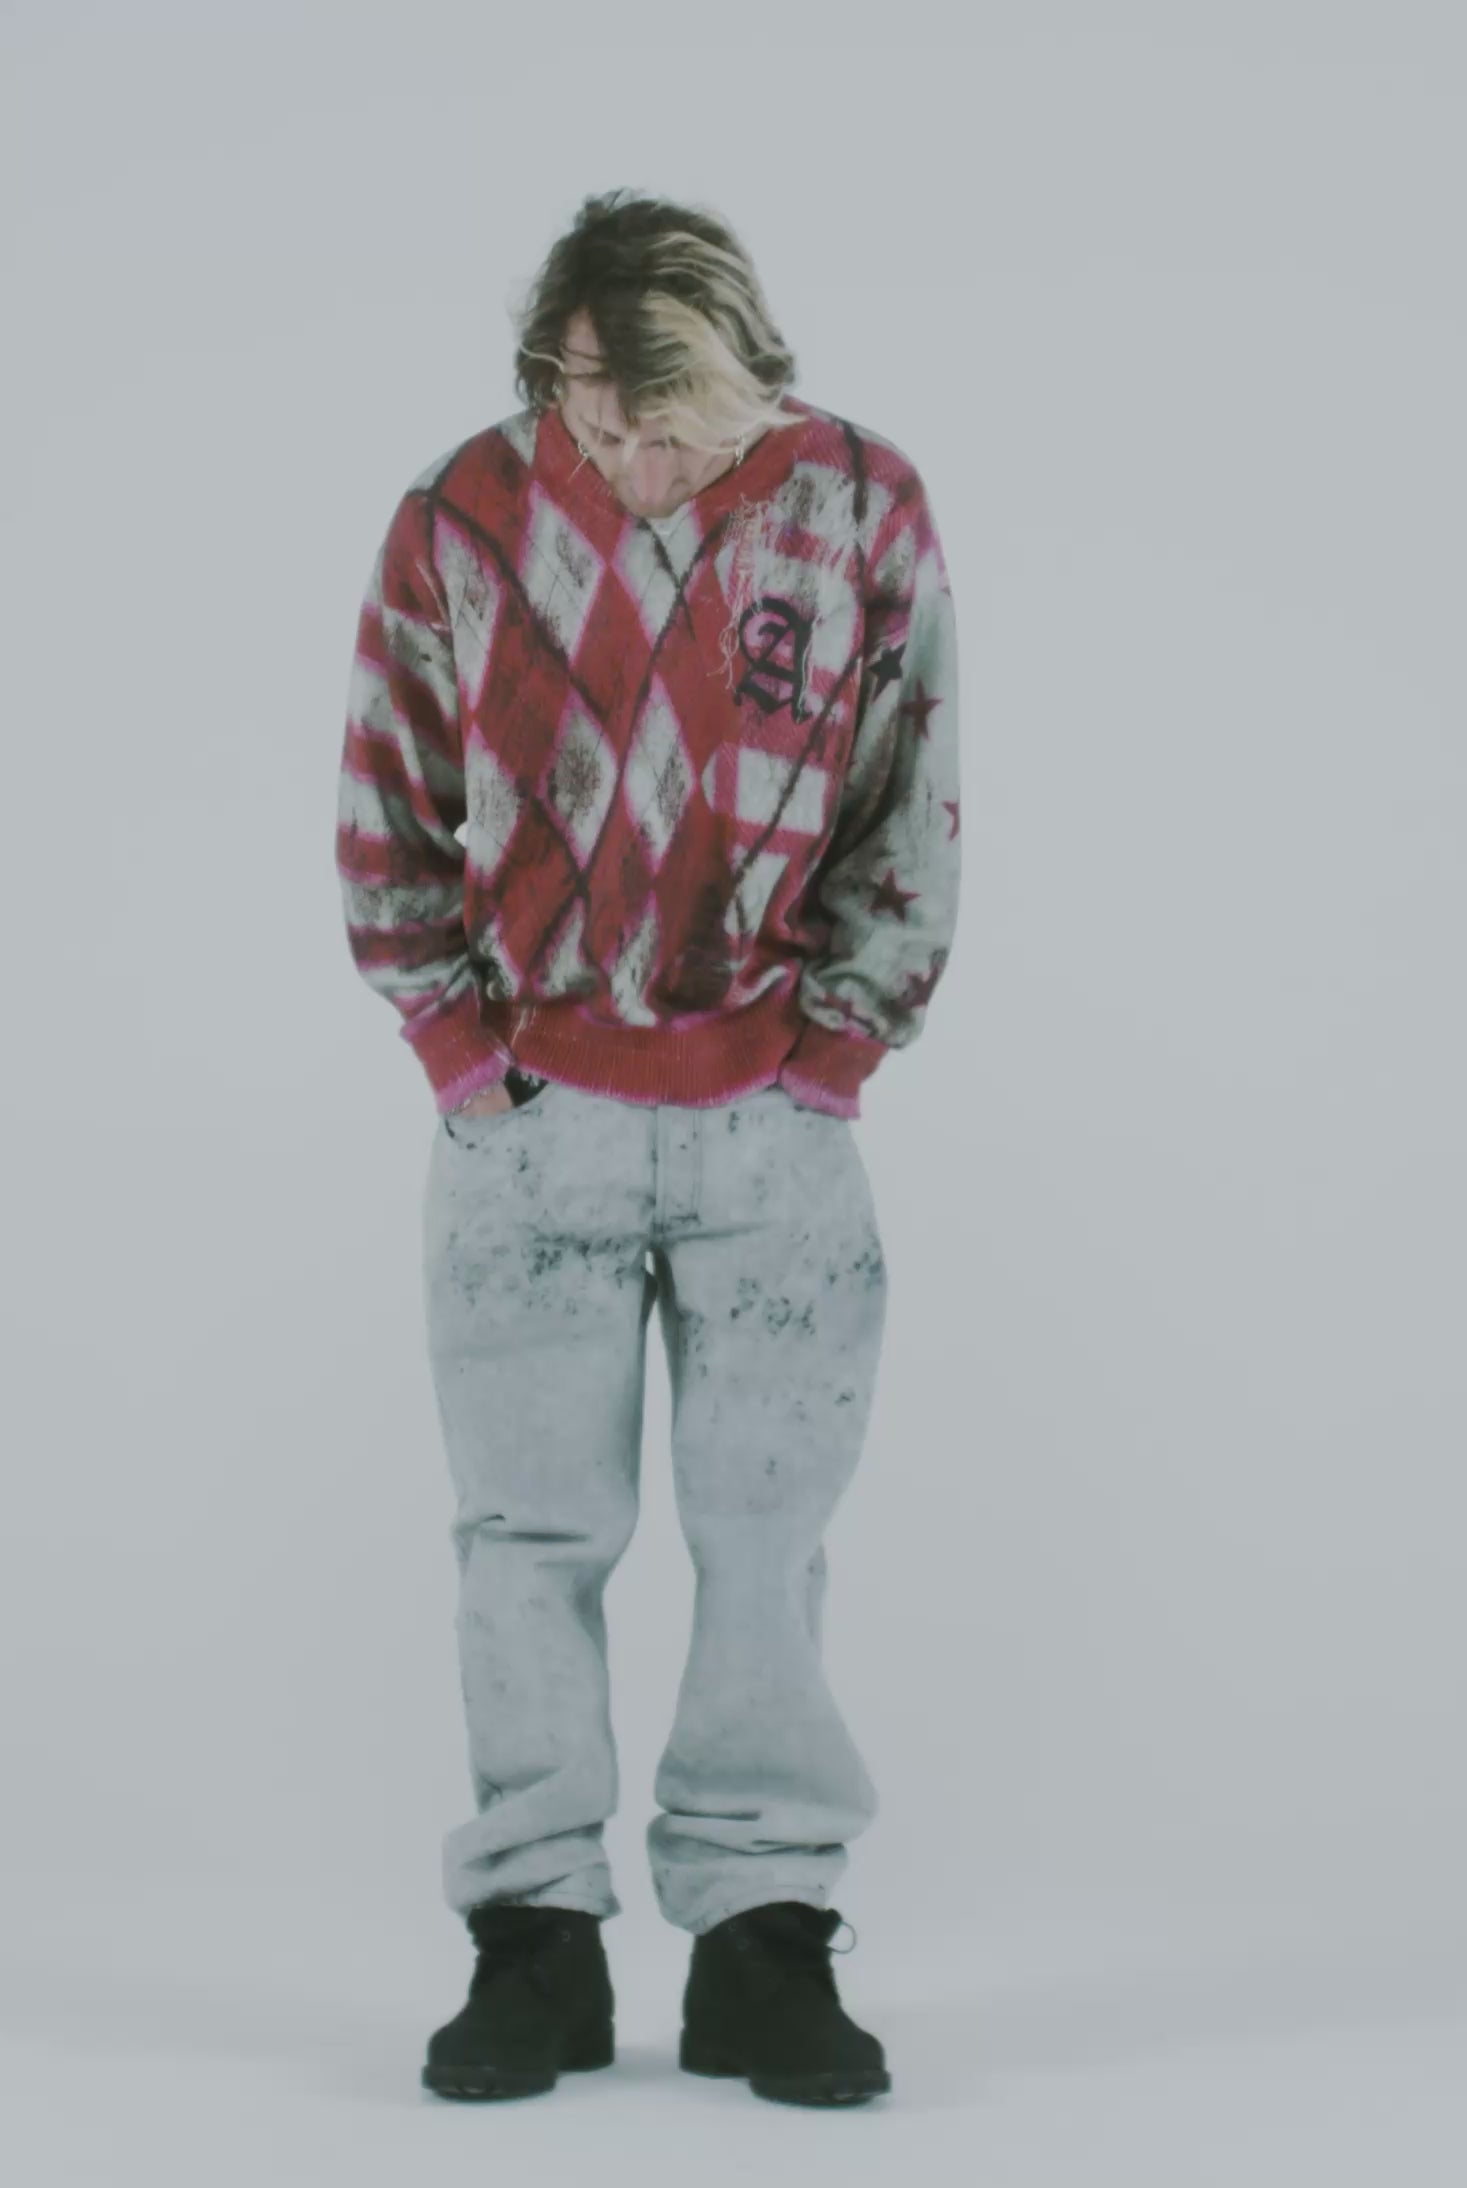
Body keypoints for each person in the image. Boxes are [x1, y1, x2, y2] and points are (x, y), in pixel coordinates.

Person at [333, 188, 960, 2109]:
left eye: (669, 424)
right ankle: (534, 1935)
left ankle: (764, 1936)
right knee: (526, 1540)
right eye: (596, 421)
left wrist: (836, 1050)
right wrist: (457, 1048)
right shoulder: (459, 514)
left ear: (744, 373)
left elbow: (911, 785)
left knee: (765, 1539)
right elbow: (386, 785)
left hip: (778, 1126)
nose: (635, 463)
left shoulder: (859, 505)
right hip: (528, 1123)